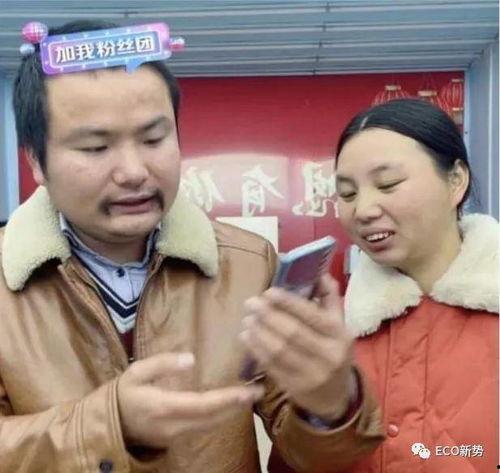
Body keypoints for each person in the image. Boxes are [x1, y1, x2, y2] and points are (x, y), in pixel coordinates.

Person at [0, 20, 384, 472]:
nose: (134, 171)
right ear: (36, 160)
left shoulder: (246, 263)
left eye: (154, 138)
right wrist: (111, 425)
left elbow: (310, 456)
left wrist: (330, 406)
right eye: (96, 147)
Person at [269, 98, 498, 472]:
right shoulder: (335, 335)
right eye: (347, 193)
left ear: (456, 180)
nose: (363, 210)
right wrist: (323, 411)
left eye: (388, 184)